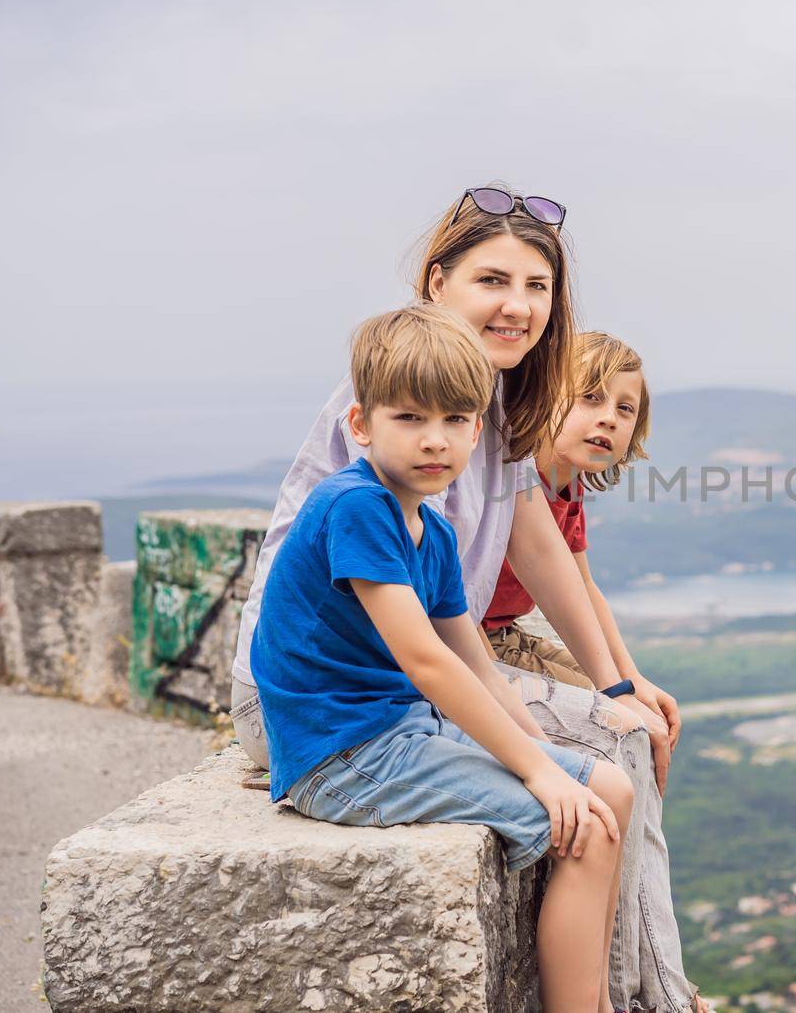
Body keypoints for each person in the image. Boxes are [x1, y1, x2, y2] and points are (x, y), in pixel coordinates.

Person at [230, 186, 707, 1012]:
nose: (517, 306)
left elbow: (541, 557)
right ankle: (645, 997)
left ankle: (637, 990)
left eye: (537, 286)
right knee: (609, 760)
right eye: (494, 280)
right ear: (438, 281)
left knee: (617, 742)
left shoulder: (489, 411)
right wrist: (551, 747)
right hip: (343, 706)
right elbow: (427, 652)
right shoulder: (398, 413)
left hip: (414, 687)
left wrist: (618, 684)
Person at [251, 305, 632, 1012]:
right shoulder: (358, 506)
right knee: (583, 823)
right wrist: (539, 775)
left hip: (394, 733)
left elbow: (480, 666)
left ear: (477, 430)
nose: (436, 440)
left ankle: (599, 999)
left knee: (609, 788)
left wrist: (546, 754)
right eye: (410, 418)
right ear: (360, 425)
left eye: (457, 419)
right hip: (341, 756)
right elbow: (428, 663)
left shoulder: (431, 528)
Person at [485, 331, 658, 698]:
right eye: (590, 398)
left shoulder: (568, 485)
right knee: (603, 707)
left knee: (629, 694)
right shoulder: (510, 478)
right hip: (474, 641)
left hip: (505, 634)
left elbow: (583, 586)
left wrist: (632, 678)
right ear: (543, 398)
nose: (608, 418)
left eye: (625, 408)